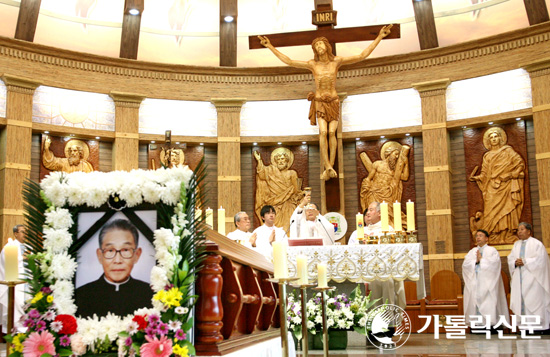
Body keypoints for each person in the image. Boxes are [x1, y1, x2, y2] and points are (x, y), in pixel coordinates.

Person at [259, 25, 392, 181]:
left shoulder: (337, 61)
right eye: (316, 45)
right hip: (320, 101)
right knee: (322, 133)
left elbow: (362, 55)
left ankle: (331, 165)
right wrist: (270, 46)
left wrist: (379, 37)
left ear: (327, 46)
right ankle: (327, 166)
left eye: (321, 44)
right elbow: (289, 61)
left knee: (331, 133)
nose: (318, 47)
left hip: (334, 101)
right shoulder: (312, 64)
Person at [75, 219, 154, 318]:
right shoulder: (80, 296)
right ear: (100, 256)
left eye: (125, 250)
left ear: (136, 255)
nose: (117, 260)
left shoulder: (151, 295)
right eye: (110, 250)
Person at [469, 127, 525, 244]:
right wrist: (477, 178)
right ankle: (493, 236)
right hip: (492, 187)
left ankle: (506, 235)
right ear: (489, 141)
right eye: (491, 138)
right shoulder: (487, 156)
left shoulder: (508, 151)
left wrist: (512, 174)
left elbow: (519, 163)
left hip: (506, 184)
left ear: (500, 138)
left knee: (506, 211)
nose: (494, 139)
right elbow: (485, 173)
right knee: (490, 211)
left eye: (496, 136)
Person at [348, 202, 405, 310]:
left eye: (371, 210)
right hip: (362, 270)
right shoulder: (358, 232)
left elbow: (392, 252)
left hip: (382, 270)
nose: (368, 213)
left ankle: (388, 319)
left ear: (379, 213)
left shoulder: (388, 230)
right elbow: (350, 252)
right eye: (367, 210)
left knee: (386, 281)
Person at [462, 229, 510, 328]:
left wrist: (482, 261)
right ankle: (477, 325)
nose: (478, 237)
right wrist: (475, 261)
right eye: (476, 236)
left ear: (486, 238)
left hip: (488, 283)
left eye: (480, 235)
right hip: (475, 282)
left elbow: (495, 264)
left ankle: (490, 325)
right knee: (475, 301)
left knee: (489, 302)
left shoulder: (492, 250)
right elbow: (465, 265)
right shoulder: (472, 251)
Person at [507, 222, 550, 331]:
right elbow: (510, 258)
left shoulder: (537, 244)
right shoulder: (516, 244)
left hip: (534, 279)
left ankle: (538, 327)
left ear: (529, 231)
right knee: (522, 302)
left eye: (522, 229)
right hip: (519, 279)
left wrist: (526, 261)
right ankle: (524, 327)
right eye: (518, 230)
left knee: (534, 300)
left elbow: (541, 260)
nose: (519, 232)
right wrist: (515, 262)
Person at [359, 141, 410, 227]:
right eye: (395, 154)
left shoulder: (394, 170)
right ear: (389, 153)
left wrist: (406, 163)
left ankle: (389, 231)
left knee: (387, 215)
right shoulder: (377, 164)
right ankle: (372, 230)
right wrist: (366, 187)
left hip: (388, 195)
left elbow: (405, 177)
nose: (397, 157)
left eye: (398, 155)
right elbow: (369, 178)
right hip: (374, 193)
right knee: (373, 214)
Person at [254, 148, 304, 233]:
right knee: (275, 228)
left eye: (283, 159)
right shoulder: (271, 171)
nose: (280, 161)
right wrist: (259, 161)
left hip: (288, 205)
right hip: (274, 204)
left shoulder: (292, 173)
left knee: (289, 229)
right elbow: (262, 175)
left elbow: (296, 190)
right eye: (278, 159)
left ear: (287, 161)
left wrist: (301, 194)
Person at [0, 225, 27, 333]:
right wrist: (22, 258)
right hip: (16, 281)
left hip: (28, 282)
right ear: (16, 234)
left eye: (26, 232)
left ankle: (27, 331)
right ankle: (16, 331)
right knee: (17, 303)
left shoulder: (29, 247)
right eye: (23, 232)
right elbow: (9, 267)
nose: (26, 234)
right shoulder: (9, 247)